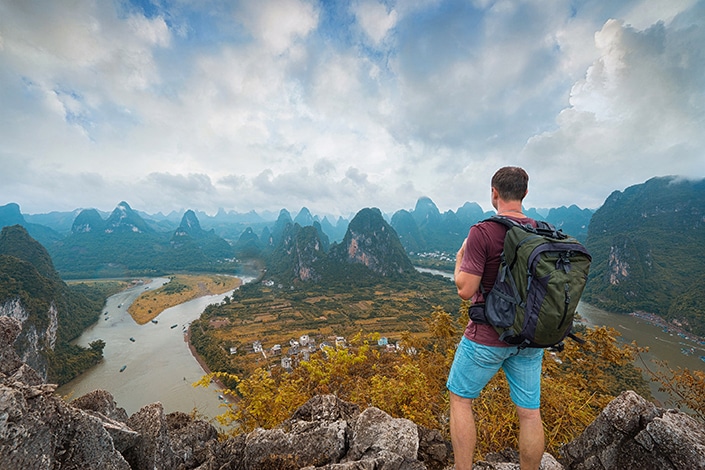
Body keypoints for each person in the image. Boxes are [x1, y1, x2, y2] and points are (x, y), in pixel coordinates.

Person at [447, 166, 545, 470]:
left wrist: (459, 261)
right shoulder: (542, 230)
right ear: (525, 193)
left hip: (487, 337)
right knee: (529, 412)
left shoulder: (483, 231)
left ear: (494, 193)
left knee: (460, 399)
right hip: (530, 337)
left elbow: (466, 290)